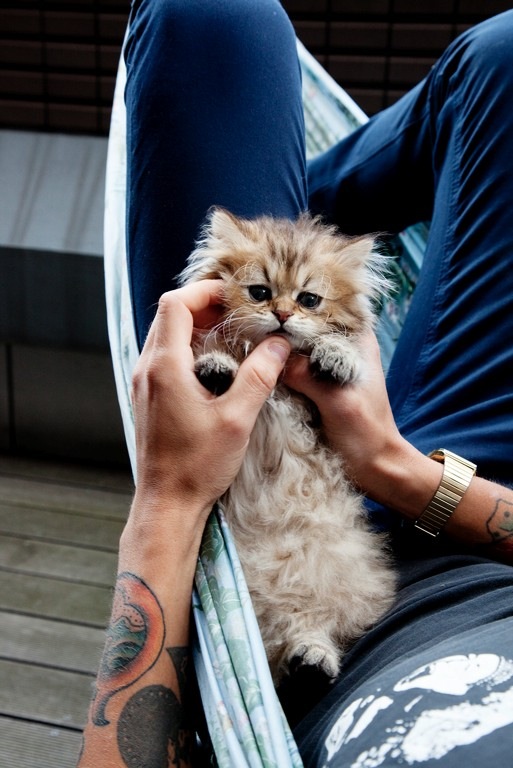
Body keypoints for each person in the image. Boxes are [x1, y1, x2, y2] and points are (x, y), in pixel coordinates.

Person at [78, 2, 513, 765]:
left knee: (205, 19)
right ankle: (310, 227)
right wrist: (394, 468)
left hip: (301, 606)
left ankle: (295, 219)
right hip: (467, 501)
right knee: (505, 55)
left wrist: (169, 499)